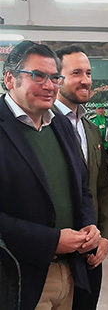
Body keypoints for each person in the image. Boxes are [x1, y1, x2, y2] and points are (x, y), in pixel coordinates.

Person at [0, 40, 100, 310]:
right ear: (10, 79)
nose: (49, 85)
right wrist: (51, 240)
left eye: (54, 77)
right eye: (38, 76)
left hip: (69, 270)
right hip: (18, 277)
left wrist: (88, 224)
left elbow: (82, 187)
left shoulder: (60, 126)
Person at [54, 45, 108, 310]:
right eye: (76, 73)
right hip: (54, 252)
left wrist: (106, 237)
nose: (86, 80)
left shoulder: (91, 130)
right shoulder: (43, 125)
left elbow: (103, 187)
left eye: (88, 73)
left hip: (90, 252)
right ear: (57, 79)